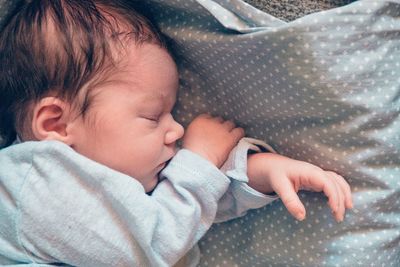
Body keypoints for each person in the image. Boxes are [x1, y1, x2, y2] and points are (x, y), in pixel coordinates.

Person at [0, 0, 352, 266]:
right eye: (153, 116)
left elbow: (186, 212)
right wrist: (199, 161)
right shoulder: (31, 181)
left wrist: (260, 172)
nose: (176, 129)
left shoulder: (117, 177)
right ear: (55, 124)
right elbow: (152, 244)